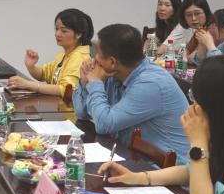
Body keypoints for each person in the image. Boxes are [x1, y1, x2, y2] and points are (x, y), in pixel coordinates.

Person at [98, 55, 224, 194]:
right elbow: (190, 171)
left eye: (197, 100)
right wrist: (138, 178)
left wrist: (198, 144)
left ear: (222, 108)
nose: (193, 107)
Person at [73, 24, 190, 164]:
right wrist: (84, 83)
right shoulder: (114, 73)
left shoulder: (150, 84)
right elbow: (81, 113)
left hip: (166, 169)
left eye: (98, 53)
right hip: (134, 157)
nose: (95, 59)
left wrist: (95, 83)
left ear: (112, 62)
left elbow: (104, 125)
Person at [8, 9, 93, 110]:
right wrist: (31, 66)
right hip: (59, 110)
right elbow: (44, 74)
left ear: (79, 34)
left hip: (71, 114)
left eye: (64, 31)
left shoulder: (80, 57)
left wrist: (28, 85)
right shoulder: (64, 55)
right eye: (56, 29)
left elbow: (64, 89)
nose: (57, 34)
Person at [178, 0, 219, 64]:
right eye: (189, 15)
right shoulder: (200, 29)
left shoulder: (212, 29)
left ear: (206, 12)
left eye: (197, 13)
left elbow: (194, 59)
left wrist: (186, 57)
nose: (193, 18)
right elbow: (185, 52)